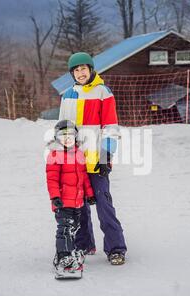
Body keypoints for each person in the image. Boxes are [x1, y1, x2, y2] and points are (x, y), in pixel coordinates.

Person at [58, 52, 127, 266]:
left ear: (91, 69)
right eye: (76, 70)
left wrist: (106, 157)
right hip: (75, 162)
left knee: (103, 205)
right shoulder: (68, 95)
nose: (80, 73)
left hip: (97, 162)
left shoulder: (102, 92)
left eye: (83, 69)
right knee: (78, 205)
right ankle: (84, 243)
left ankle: (116, 248)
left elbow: (110, 127)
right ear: (72, 74)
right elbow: (63, 129)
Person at [46, 120, 96, 277]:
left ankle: (68, 252)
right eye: (63, 135)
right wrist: (55, 197)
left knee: (73, 229)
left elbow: (84, 177)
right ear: (56, 137)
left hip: (77, 202)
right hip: (63, 202)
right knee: (65, 229)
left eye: (71, 135)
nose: (67, 138)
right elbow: (52, 179)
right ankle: (64, 257)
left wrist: (90, 194)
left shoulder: (79, 154)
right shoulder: (55, 155)